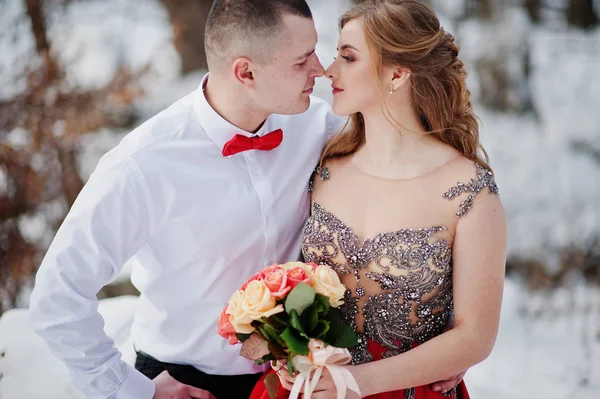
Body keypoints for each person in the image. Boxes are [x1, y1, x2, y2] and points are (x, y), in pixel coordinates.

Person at [28, 0, 466, 398]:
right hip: (185, 382)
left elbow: (411, 187)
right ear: (246, 72)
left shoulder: (322, 128)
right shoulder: (143, 165)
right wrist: (131, 390)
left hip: (300, 379)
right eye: (301, 60)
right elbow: (57, 296)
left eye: (318, 51)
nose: (320, 69)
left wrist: (435, 335)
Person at [250, 0, 506, 398]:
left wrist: (355, 384)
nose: (328, 71)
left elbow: (476, 336)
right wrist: (288, 354)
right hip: (309, 386)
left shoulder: (470, 191)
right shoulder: (324, 164)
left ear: (398, 74)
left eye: (348, 58)